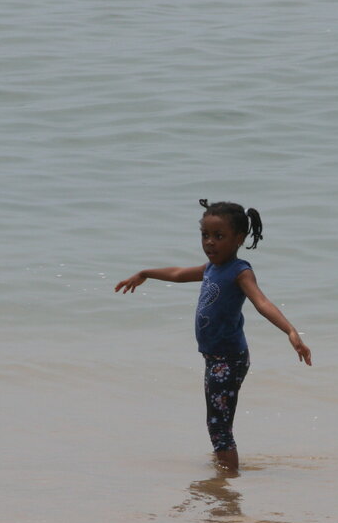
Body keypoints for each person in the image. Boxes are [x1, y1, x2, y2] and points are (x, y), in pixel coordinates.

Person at [116, 199, 311, 472]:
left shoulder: (239, 271)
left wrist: (290, 331)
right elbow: (178, 273)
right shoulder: (211, 269)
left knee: (218, 425)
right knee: (218, 421)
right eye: (205, 235)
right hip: (214, 358)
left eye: (219, 236)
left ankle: (228, 480)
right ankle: (224, 472)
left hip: (228, 360)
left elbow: (262, 303)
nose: (210, 242)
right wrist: (145, 273)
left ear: (239, 239)